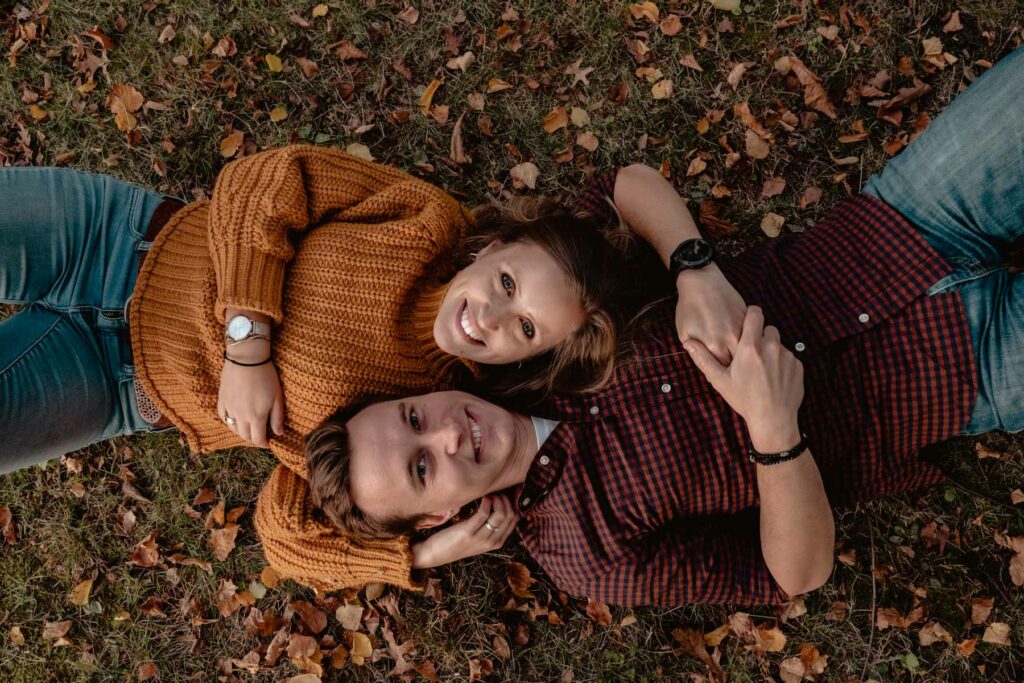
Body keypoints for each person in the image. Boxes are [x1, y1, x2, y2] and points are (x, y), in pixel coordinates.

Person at [278, 44, 1024, 603]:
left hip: (899, 224)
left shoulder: (515, 343)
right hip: (966, 374)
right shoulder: (584, 555)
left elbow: (620, 189)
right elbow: (791, 573)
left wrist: (692, 266)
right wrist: (775, 434)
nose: (445, 433)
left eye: (413, 416)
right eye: (422, 468)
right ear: (439, 511)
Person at [0, 144, 741, 575]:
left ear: (535, 357)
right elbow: (270, 179)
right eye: (507, 284)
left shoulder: (430, 412)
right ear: (490, 246)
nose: (489, 317)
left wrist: (417, 556)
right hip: (118, 236)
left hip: (121, 383)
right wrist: (247, 340)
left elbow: (289, 542)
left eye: (523, 329)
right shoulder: (424, 222)